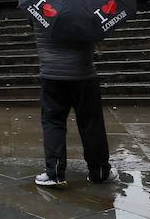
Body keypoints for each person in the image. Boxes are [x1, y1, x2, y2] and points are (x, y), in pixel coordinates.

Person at [32, 11, 118, 187]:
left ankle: (54, 173)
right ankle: (100, 171)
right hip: (83, 73)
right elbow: (99, 33)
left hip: (51, 73)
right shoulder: (87, 7)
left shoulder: (37, 5)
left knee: (53, 122)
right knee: (91, 124)